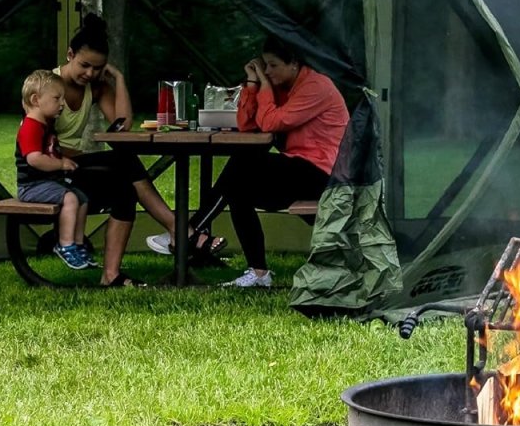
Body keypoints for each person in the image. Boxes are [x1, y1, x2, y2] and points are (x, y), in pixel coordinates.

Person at [53, 14, 221, 286]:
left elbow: (122, 125)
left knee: (125, 184)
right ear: (69, 54)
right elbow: (41, 142)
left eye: (98, 68)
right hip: (51, 168)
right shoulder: (48, 84)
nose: (90, 74)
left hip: (74, 165)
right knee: (125, 161)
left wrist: (117, 79)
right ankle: (180, 230)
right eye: (84, 65)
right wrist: (74, 157)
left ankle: (111, 275)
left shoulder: (94, 87)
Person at [188, 35, 349, 288]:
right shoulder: (281, 88)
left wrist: (262, 84)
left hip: (324, 175)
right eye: (265, 65)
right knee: (238, 188)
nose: (268, 71)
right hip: (298, 170)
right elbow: (247, 124)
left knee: (242, 164)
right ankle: (259, 273)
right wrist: (252, 84)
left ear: (294, 63)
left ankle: (191, 230)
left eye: (273, 65)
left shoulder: (316, 86)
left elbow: (272, 123)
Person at [15, 70, 94, 270]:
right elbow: (34, 159)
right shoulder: (31, 126)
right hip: (31, 186)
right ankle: (65, 245)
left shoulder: (45, 125)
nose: (62, 104)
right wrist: (60, 164)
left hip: (47, 183)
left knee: (82, 198)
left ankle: (77, 244)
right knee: (71, 198)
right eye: (57, 98)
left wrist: (64, 161)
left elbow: (49, 151)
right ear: (36, 100)